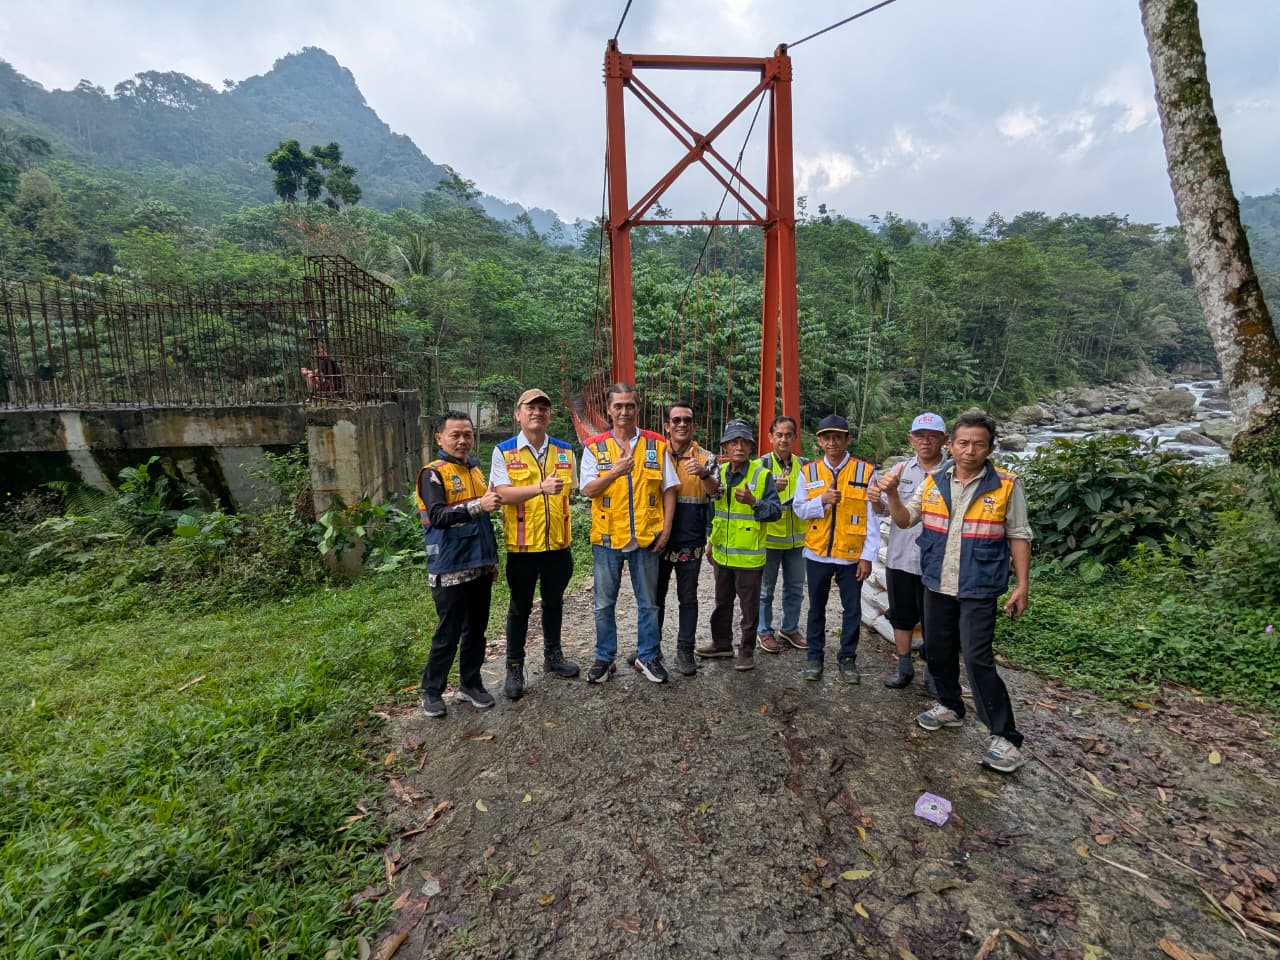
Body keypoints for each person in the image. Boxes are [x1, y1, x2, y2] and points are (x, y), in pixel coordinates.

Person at [875, 411, 1032, 774]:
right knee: (938, 649)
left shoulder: (1006, 485)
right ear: (951, 445)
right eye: (963, 443)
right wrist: (893, 493)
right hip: (936, 581)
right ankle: (950, 705)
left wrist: (1022, 585)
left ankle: (1006, 737)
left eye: (978, 444)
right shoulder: (933, 482)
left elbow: (1019, 535)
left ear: (990, 448)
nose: (969, 451)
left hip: (978, 585)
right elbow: (904, 520)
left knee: (977, 658)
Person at [579, 383, 680, 684]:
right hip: (607, 538)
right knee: (603, 604)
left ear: (637, 408)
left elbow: (669, 489)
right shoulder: (594, 446)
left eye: (630, 405)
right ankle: (604, 657)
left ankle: (647, 656)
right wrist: (614, 472)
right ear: (609, 410)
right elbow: (588, 489)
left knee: (648, 603)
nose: (624, 411)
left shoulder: (656, 444)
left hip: (646, 538)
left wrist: (666, 530)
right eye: (618, 406)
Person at [490, 388, 581, 700]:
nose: (537, 413)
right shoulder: (504, 451)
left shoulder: (565, 450)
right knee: (520, 608)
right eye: (530, 408)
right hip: (522, 548)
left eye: (543, 408)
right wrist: (540, 487)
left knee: (554, 603)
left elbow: (572, 491)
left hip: (558, 545)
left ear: (549, 416)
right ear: (518, 414)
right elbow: (501, 493)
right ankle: (514, 667)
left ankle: (553, 656)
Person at [416, 411, 501, 718]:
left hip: (479, 565)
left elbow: (484, 524)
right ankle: (432, 691)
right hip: (449, 566)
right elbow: (438, 516)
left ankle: (471, 684)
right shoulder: (432, 474)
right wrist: (478, 505)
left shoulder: (475, 469)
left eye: (468, 434)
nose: (463, 440)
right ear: (440, 438)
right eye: (455, 435)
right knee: (448, 633)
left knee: (476, 631)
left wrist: (492, 560)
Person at [792, 414, 880, 684]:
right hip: (817, 553)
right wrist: (822, 500)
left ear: (847, 439)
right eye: (827, 438)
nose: (832, 442)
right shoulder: (809, 472)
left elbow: (872, 518)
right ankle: (814, 657)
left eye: (837, 437)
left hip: (851, 556)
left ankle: (847, 658)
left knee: (852, 610)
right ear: (819, 441)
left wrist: (867, 557)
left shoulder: (865, 472)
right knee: (816, 608)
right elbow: (799, 509)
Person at [696, 419, 783, 670]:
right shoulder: (719, 473)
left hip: (749, 558)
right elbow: (714, 512)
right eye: (734, 442)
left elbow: (775, 512)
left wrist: (754, 502)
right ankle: (722, 644)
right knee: (722, 603)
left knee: (749, 608)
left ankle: (746, 651)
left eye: (744, 442)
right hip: (722, 555)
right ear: (725, 446)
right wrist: (710, 542)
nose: (739, 446)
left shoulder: (762, 475)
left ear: (751, 447)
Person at [869, 412, 947, 689]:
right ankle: (904, 667)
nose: (926, 441)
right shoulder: (899, 471)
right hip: (900, 558)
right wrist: (875, 499)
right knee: (901, 617)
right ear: (911, 439)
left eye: (932, 436)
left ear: (944, 440)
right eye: (920, 436)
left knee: (935, 621)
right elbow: (883, 511)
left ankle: (933, 672)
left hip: (937, 562)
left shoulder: (952, 473)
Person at [654, 402, 715, 677]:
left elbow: (717, 493)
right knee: (654, 597)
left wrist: (704, 474)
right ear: (667, 426)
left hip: (691, 540)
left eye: (687, 420)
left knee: (687, 598)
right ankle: (651, 648)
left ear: (694, 426)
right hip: (658, 539)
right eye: (676, 420)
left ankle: (685, 649)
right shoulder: (654, 454)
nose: (681, 424)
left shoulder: (706, 457)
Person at [756, 415, 809, 654]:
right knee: (765, 589)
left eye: (788, 435)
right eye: (779, 435)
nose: (783, 439)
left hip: (798, 538)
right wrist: (771, 491)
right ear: (770, 437)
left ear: (795, 438)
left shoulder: (805, 465)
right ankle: (764, 631)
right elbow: (750, 499)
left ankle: (789, 628)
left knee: (795, 588)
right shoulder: (760, 465)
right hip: (770, 538)